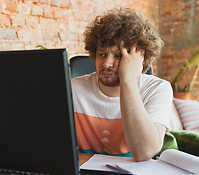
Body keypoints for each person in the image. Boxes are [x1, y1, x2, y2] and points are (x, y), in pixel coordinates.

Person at [72, 7, 173, 162]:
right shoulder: (73, 90)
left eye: (118, 56)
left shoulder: (157, 89)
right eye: (102, 54)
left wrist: (128, 79)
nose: (107, 63)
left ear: (141, 59)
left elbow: (144, 153)